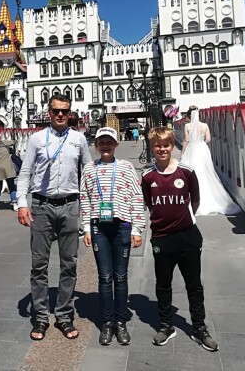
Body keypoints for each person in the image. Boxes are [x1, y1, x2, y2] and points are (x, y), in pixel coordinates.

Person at [17, 94, 92, 341]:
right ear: (48, 112)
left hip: (70, 206)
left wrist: (92, 209)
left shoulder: (78, 139)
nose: (61, 115)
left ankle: (63, 315)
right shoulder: (36, 139)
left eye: (65, 111)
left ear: (71, 113)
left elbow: (89, 173)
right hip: (41, 206)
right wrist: (21, 204)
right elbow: (25, 172)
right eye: (56, 111)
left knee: (69, 264)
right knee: (39, 265)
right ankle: (40, 317)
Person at [140, 126, 219, 352]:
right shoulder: (147, 175)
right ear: (152, 148)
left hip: (187, 236)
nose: (162, 149)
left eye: (166, 145)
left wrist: (183, 219)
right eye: (158, 146)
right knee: (163, 284)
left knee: (193, 284)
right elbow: (149, 204)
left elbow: (195, 201)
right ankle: (166, 324)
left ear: (172, 146)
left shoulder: (186, 171)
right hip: (162, 238)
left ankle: (199, 327)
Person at [80, 127, 145, 346]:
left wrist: (137, 228)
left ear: (116, 144)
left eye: (109, 141)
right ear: (96, 145)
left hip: (122, 226)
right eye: (101, 142)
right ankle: (107, 322)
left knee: (121, 276)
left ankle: (120, 321)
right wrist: (87, 229)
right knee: (105, 276)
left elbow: (136, 197)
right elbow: (85, 199)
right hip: (99, 227)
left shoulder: (125, 167)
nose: (105, 145)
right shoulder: (89, 169)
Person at [180, 105, 241, 215]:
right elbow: (208, 139)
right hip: (202, 149)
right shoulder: (205, 125)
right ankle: (209, 197)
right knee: (205, 171)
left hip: (192, 149)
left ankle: (193, 198)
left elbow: (186, 140)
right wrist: (201, 141)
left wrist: (183, 153)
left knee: (193, 172)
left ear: (189, 116)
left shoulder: (187, 126)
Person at [0, 137, 18, 211]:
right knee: (11, 186)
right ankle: (14, 204)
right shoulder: (4, 144)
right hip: (7, 167)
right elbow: (14, 141)